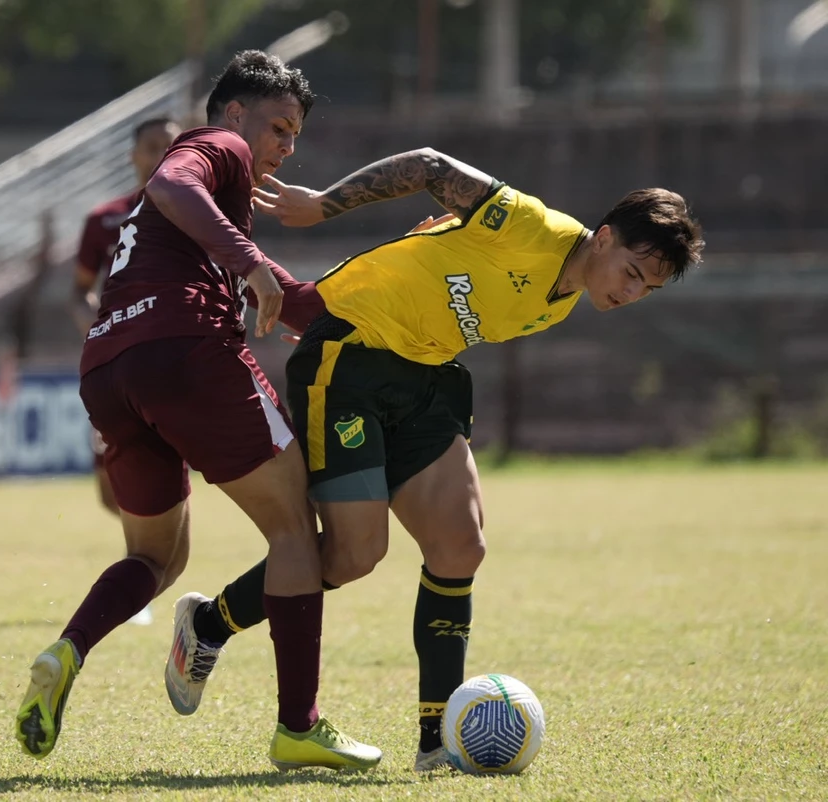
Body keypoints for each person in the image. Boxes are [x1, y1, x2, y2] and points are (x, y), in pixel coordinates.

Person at [164, 147, 705, 770]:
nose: (632, 292)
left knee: (460, 547)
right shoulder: (530, 225)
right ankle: (208, 624)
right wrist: (321, 206)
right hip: (352, 358)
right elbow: (428, 166)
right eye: (632, 273)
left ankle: (437, 740)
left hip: (425, 378)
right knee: (355, 554)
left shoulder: (563, 295)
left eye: (647, 289)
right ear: (604, 238)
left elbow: (437, 267)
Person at [14, 50, 382, 772]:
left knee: (155, 556)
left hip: (110, 370)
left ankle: (67, 650)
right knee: (294, 532)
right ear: (236, 114)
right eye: (280, 127)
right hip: (186, 354)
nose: (287, 147)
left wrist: (387, 311)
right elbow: (172, 182)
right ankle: (299, 726)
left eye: (296, 135)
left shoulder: (211, 214)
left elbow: (293, 298)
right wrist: (249, 264)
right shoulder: (217, 147)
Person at [71, 116, 183, 627]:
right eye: (152, 146)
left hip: (168, 363)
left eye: (171, 145)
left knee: (163, 466)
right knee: (108, 488)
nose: (162, 154)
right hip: (115, 365)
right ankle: (143, 562)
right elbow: (79, 290)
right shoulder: (104, 219)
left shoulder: (192, 210)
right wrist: (98, 328)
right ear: (133, 156)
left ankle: (143, 570)